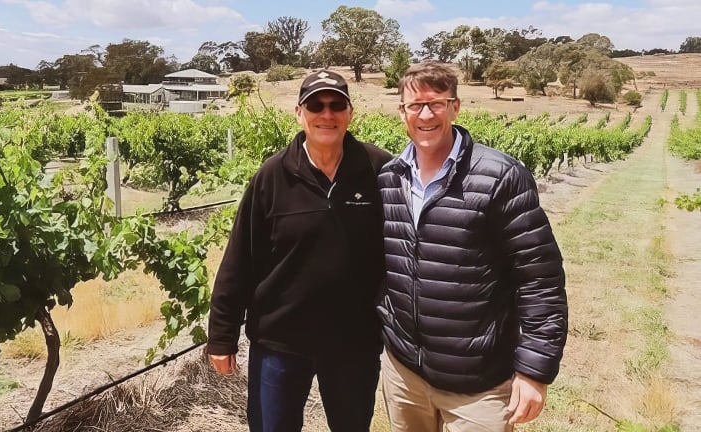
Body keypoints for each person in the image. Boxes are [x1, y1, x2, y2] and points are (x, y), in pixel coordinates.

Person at [375, 60, 568, 431]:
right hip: (405, 374)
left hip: (479, 382)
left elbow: (539, 279)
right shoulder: (389, 178)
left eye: (437, 103)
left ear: (455, 106)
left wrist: (534, 369)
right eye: (415, 105)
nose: (426, 114)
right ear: (402, 112)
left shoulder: (499, 176)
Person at [207, 69, 393, 432]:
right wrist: (222, 335)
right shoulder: (272, 176)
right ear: (299, 113)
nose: (327, 114)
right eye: (316, 105)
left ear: (350, 113)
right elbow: (240, 259)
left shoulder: (378, 170)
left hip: (354, 341)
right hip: (280, 341)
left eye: (337, 105)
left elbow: (399, 250)